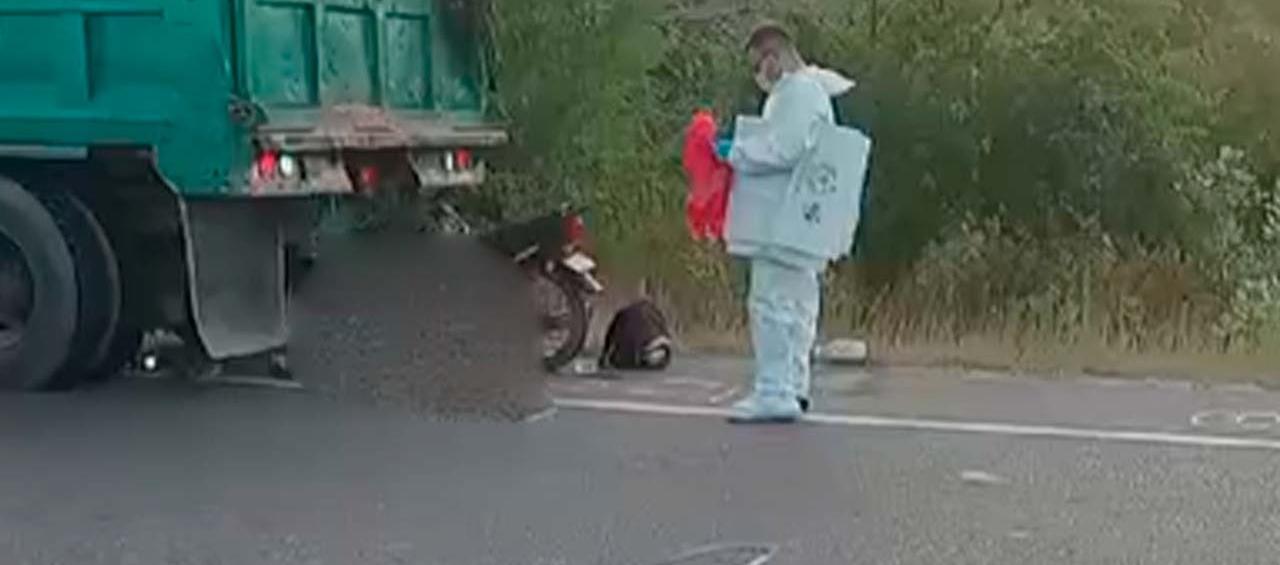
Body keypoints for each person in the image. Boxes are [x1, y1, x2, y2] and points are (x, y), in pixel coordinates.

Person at [721, 22, 861, 423]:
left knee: (772, 305)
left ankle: (774, 390)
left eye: (758, 65)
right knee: (797, 307)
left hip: (782, 221)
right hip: (801, 222)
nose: (758, 76)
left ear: (774, 57)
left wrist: (737, 152)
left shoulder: (797, 93)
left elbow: (785, 148)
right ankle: (792, 386)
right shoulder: (809, 91)